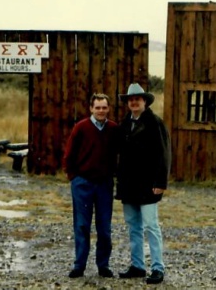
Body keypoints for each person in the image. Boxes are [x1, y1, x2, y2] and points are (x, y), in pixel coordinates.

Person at [116, 83, 171, 285]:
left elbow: (164, 154)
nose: (134, 102)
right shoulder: (124, 124)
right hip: (129, 185)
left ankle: (157, 268)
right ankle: (137, 266)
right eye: (131, 99)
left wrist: (160, 182)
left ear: (145, 101)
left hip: (148, 184)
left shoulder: (155, 123)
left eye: (137, 99)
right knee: (133, 226)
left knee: (151, 226)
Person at [62, 93, 118, 279]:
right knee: (82, 225)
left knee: (104, 227)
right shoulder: (81, 127)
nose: (101, 111)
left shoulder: (113, 129)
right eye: (98, 107)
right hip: (83, 183)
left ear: (108, 109)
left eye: (104, 107)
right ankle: (79, 265)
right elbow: (69, 154)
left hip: (104, 184)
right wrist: (74, 177)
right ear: (91, 109)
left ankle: (103, 265)